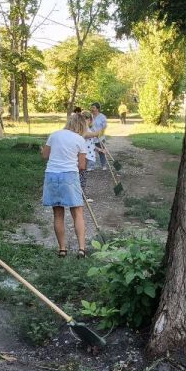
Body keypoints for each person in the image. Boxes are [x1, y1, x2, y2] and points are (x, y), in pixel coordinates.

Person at [42, 113, 89, 258]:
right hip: (69, 175)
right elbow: (82, 166)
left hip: (51, 175)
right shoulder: (80, 139)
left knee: (58, 214)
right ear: (81, 125)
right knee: (77, 213)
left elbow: (45, 155)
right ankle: (81, 249)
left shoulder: (54, 135)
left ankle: (62, 249)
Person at [85, 102, 108, 169]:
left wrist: (99, 134)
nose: (92, 109)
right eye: (91, 107)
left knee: (101, 151)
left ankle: (103, 165)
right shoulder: (90, 116)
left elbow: (104, 127)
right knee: (90, 150)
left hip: (100, 137)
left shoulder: (102, 117)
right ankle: (90, 166)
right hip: (90, 136)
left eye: (93, 107)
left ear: (97, 109)